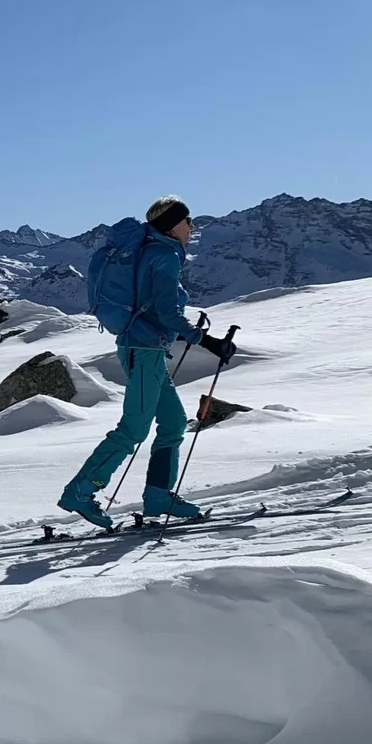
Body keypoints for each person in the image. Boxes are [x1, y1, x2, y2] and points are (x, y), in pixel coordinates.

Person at [59, 196, 236, 529]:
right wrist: (210, 342)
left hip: (143, 349)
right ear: (172, 225)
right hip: (144, 352)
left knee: (173, 422)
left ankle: (158, 495)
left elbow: (156, 309)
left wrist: (187, 332)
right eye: (187, 221)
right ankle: (80, 492)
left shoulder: (150, 251)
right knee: (134, 429)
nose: (192, 226)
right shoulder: (164, 256)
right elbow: (169, 313)